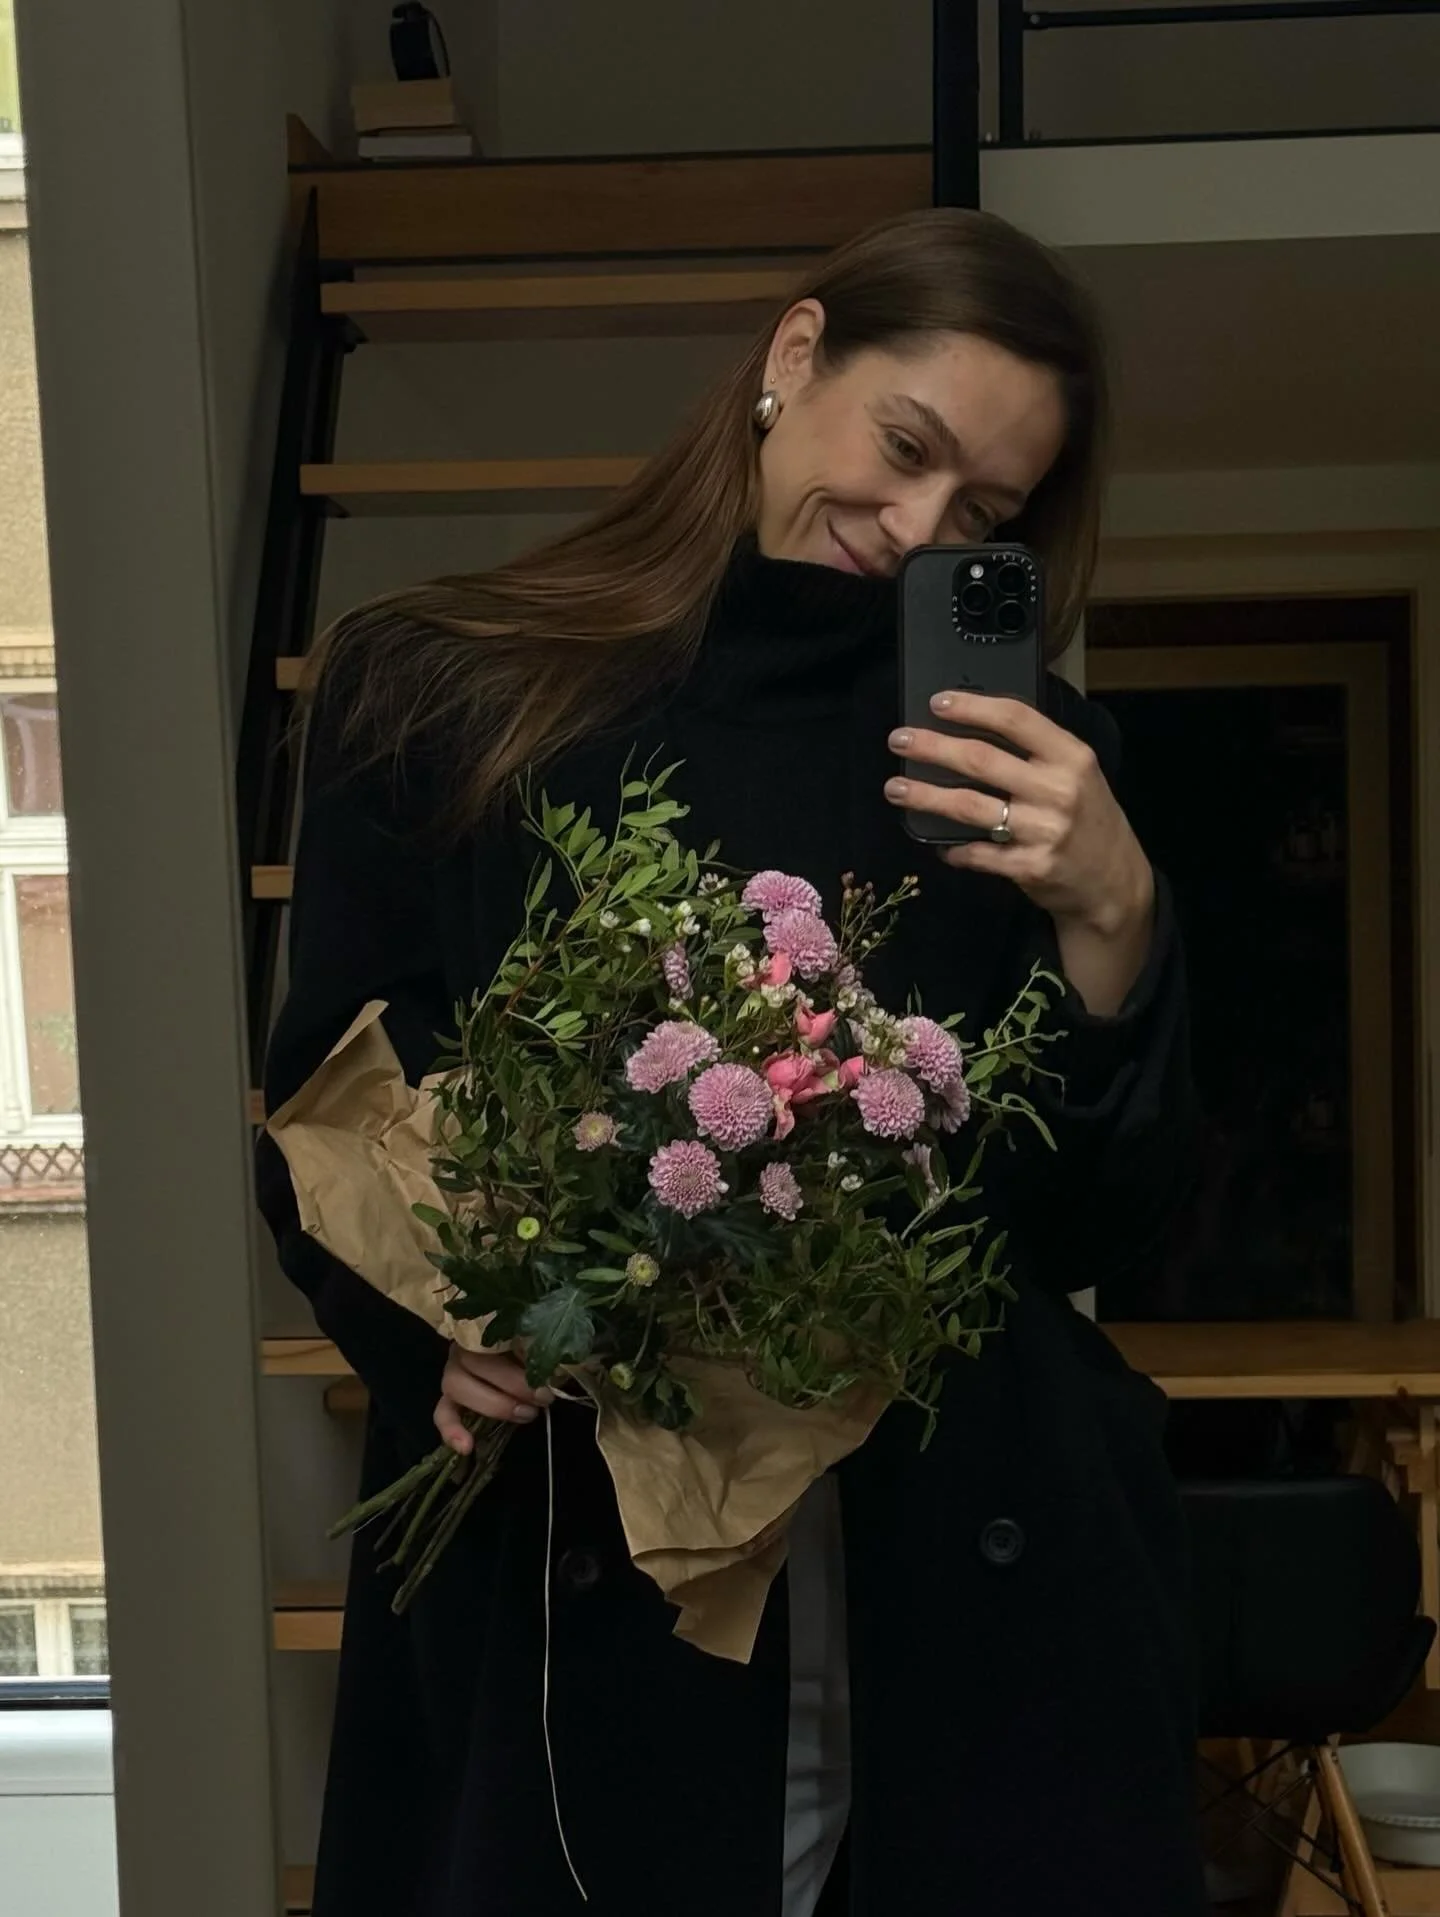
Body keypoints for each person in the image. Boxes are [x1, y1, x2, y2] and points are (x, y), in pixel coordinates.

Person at [257, 207, 1205, 1917]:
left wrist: (1117, 920)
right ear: (794, 355)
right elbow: (331, 1093)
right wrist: (438, 1332)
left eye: (982, 515)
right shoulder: (447, 687)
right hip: (579, 1547)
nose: (915, 530)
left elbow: (1093, 1231)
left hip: (963, 1583)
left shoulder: (1028, 765)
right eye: (904, 448)